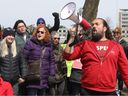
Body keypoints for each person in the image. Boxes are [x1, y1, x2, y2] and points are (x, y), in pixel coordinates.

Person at [63, 18, 128, 95]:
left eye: (97, 24)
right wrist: (71, 37)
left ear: (104, 29)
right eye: (93, 24)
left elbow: (125, 69)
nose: (94, 26)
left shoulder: (116, 46)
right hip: (87, 91)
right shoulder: (85, 44)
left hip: (109, 92)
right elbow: (68, 56)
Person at [23, 24, 55, 96]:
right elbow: (23, 59)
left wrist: (51, 74)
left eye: (42, 32)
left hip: (44, 79)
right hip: (32, 78)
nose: (39, 33)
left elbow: (52, 61)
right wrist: (24, 74)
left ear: (45, 34)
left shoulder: (49, 46)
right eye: (38, 32)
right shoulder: (30, 43)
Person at [0, 27, 26, 95]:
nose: (11, 37)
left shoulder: (18, 48)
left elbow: (23, 63)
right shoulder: (0, 49)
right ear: (5, 37)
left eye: (12, 35)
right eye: (9, 35)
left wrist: (23, 76)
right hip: (3, 82)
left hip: (15, 81)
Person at [13, 19, 31, 95]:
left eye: (23, 26)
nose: (22, 28)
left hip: (30, 69)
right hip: (20, 70)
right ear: (16, 29)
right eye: (19, 27)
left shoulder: (30, 37)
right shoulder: (14, 39)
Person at [48, 31, 67, 95]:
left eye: (58, 38)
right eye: (55, 38)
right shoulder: (47, 48)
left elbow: (63, 61)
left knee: (60, 93)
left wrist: (65, 73)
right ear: (51, 38)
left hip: (61, 76)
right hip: (51, 76)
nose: (57, 40)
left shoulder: (61, 48)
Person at [113, 27, 128, 95]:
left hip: (121, 67)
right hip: (113, 67)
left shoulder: (125, 44)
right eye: (114, 33)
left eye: (117, 33)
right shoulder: (113, 43)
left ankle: (120, 93)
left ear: (120, 34)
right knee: (113, 83)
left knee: (120, 83)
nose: (115, 34)